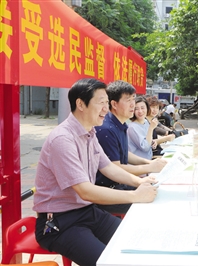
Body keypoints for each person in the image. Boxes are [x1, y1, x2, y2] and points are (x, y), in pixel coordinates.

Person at [33, 78, 158, 266]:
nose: (106, 109)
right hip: (59, 222)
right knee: (108, 262)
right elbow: (85, 190)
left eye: (107, 103)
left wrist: (141, 182)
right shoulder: (63, 139)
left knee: (135, 241)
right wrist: (136, 195)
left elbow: (108, 167)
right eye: (101, 103)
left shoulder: (90, 133)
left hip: (87, 211)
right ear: (80, 104)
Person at [95, 81, 166, 214]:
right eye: (128, 100)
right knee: (153, 205)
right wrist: (149, 168)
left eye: (133, 98)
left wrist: (150, 162)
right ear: (114, 104)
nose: (133, 104)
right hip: (109, 190)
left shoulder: (121, 125)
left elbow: (125, 154)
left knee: (157, 191)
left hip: (120, 183)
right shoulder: (106, 129)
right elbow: (115, 167)